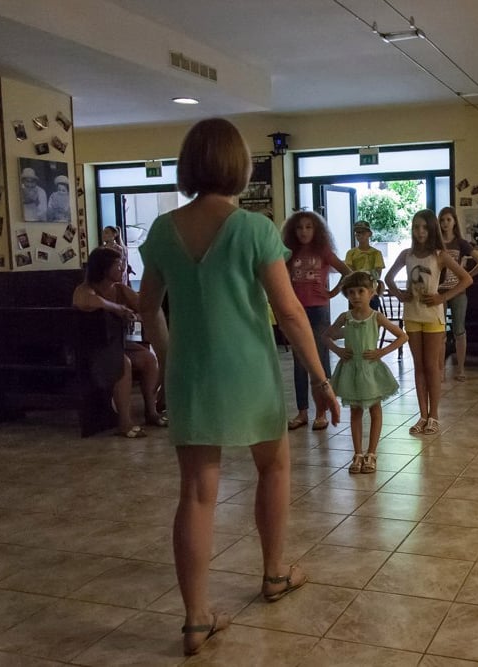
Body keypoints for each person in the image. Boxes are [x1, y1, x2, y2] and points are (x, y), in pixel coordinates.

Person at [138, 118, 340, 656]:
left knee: (196, 492)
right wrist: (320, 378)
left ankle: (195, 620)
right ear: (239, 166)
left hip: (191, 373)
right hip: (249, 371)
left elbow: (148, 308)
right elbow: (290, 312)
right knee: (273, 467)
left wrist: (169, 360)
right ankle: (275, 574)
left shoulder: (162, 230)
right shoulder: (254, 229)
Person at [385, 209, 472, 435]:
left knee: (432, 366)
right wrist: (399, 294)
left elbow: (466, 279)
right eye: (416, 227)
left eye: (424, 227)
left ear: (432, 229)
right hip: (412, 315)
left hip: (433, 317)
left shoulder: (440, 255)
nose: (420, 231)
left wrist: (443, 297)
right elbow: (388, 278)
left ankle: (434, 416)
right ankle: (422, 415)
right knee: (419, 366)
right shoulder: (406, 254)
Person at [73, 246, 166, 438]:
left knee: (148, 359)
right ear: (103, 267)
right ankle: (125, 422)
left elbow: (144, 305)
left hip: (117, 345)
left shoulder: (121, 290)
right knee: (122, 363)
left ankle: (151, 412)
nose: (123, 268)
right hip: (92, 349)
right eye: (117, 264)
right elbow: (86, 301)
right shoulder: (85, 289)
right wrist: (116, 308)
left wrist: (140, 313)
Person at [324, 271, 407, 474]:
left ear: (371, 292)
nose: (356, 296)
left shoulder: (376, 317)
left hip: (371, 370)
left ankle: (372, 453)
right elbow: (326, 336)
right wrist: (339, 351)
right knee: (355, 411)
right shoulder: (345, 317)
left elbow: (402, 336)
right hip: (351, 369)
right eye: (351, 292)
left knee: (375, 409)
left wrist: (381, 352)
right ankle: (358, 453)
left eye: (361, 291)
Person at [282, 211, 351, 431]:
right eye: (299, 227)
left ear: (316, 230)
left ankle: (321, 413)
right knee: (299, 363)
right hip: (296, 311)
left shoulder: (323, 251)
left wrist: (332, 293)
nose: (304, 232)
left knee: (320, 360)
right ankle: (302, 412)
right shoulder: (289, 253)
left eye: (308, 227)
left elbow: (347, 272)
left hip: (318, 311)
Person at [438, 206, 478, 381]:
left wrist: (466, 277)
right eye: (442, 220)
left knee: (459, 330)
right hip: (439, 291)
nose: (445, 223)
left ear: (454, 222)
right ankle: (440, 370)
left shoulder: (461, 243)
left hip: (458, 291)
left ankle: (460, 369)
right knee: (440, 331)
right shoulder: (436, 243)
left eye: (448, 220)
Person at [344, 221, 385, 311]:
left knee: (373, 316)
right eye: (357, 232)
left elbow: (377, 274)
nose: (360, 235)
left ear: (369, 234)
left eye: (363, 232)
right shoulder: (351, 253)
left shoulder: (376, 253)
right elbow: (349, 273)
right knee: (354, 316)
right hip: (355, 292)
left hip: (371, 292)